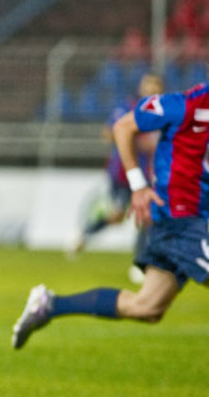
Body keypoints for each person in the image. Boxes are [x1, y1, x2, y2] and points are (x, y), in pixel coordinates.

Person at [13, 78, 209, 349]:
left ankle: (49, 305)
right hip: (181, 220)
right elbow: (122, 126)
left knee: (147, 306)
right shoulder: (185, 104)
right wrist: (138, 185)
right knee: (117, 214)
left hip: (193, 220)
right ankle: (84, 234)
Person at [70, 74, 164, 285]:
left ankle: (139, 263)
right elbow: (108, 132)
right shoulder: (128, 107)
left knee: (147, 216)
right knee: (117, 216)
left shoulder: (163, 114)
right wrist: (134, 139)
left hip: (146, 175)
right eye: (149, 85)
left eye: (156, 86)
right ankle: (86, 232)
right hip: (123, 173)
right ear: (142, 87)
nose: (152, 89)